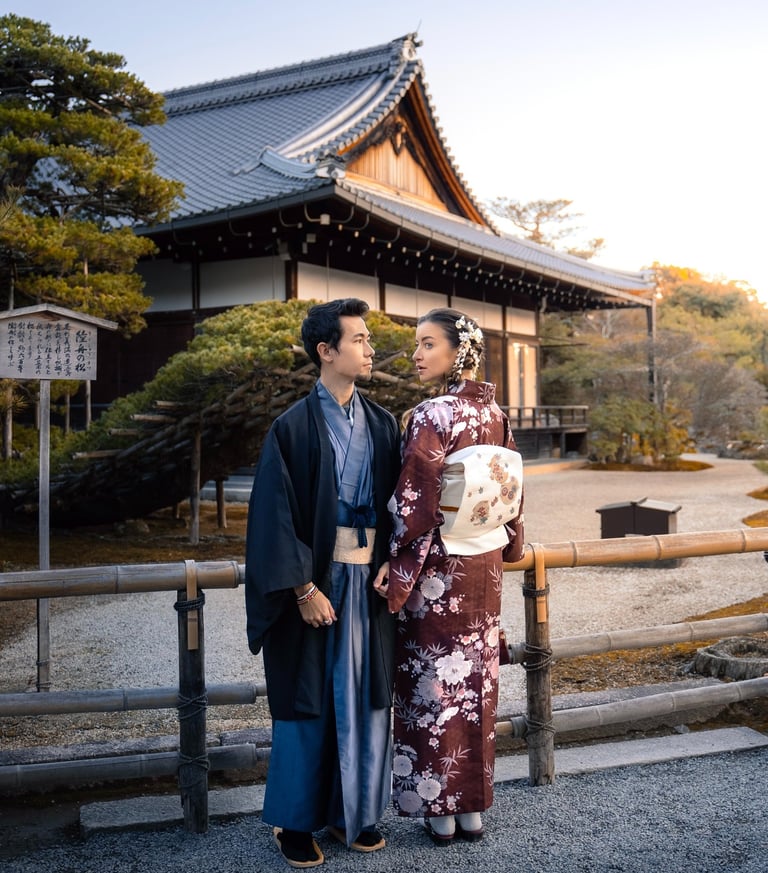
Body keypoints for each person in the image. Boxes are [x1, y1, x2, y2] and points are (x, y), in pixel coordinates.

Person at [244, 298, 401, 868]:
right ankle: (296, 823)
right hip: (316, 587)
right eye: (358, 339)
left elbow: (401, 509)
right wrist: (303, 590)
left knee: (363, 697)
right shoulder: (291, 428)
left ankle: (351, 813)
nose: (369, 348)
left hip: (368, 587)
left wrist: (394, 559)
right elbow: (273, 517)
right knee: (309, 701)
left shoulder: (383, 424)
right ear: (326, 351)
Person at [373, 307, 524, 846]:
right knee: (477, 683)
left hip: (438, 571)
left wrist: (397, 562)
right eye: (417, 344)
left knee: (433, 685)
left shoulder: (431, 415)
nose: (417, 354)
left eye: (428, 343)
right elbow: (511, 493)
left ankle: (440, 809)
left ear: (458, 350)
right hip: (483, 567)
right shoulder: (496, 414)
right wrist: (513, 541)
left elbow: (412, 500)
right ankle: (473, 810)